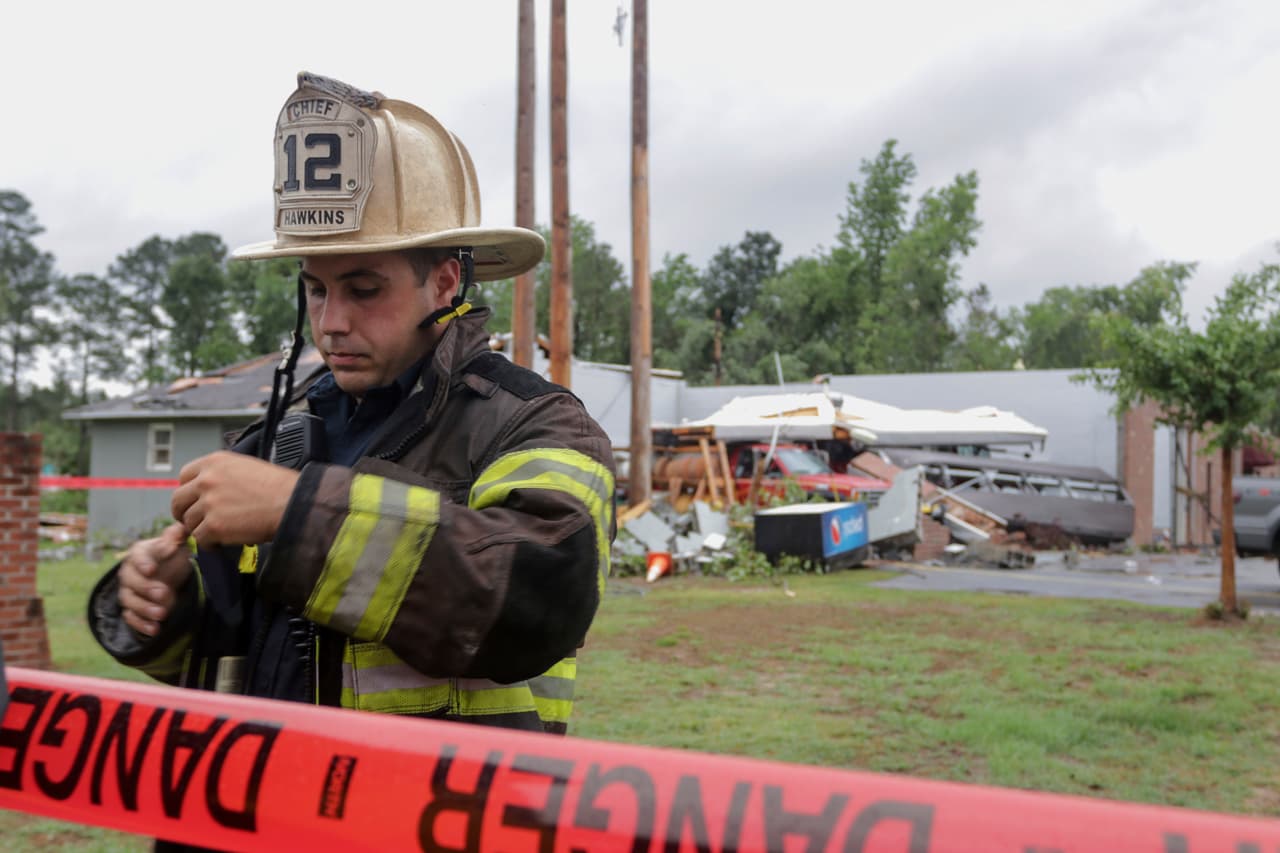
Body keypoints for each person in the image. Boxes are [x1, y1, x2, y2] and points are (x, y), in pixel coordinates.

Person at [88, 73, 616, 741]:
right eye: (316, 289)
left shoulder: (534, 426)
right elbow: (233, 653)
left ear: (445, 282)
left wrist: (297, 513)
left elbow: (537, 602)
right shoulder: (277, 440)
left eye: (364, 289)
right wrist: (163, 602)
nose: (331, 322)